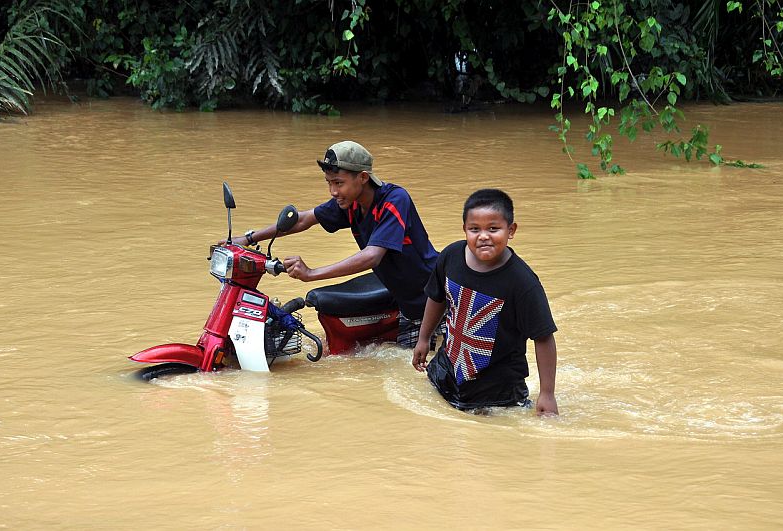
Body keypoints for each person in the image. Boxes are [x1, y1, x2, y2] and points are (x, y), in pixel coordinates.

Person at [231, 140, 441, 348]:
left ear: (363, 177)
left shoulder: (394, 200)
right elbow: (304, 219)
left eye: (338, 183)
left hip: (432, 303)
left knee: (415, 372)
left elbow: (371, 256)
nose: (333, 191)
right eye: (329, 183)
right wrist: (248, 239)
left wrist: (312, 273)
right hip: (404, 299)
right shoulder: (351, 204)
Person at [411, 188, 558, 415]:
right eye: (474, 229)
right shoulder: (451, 256)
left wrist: (547, 394)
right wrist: (424, 338)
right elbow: (437, 297)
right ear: (464, 230)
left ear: (511, 230)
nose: (483, 236)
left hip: (497, 389)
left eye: (493, 228)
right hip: (446, 370)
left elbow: (543, 337)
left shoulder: (522, 282)